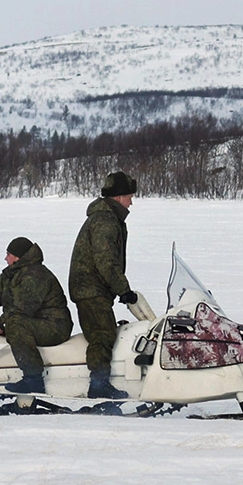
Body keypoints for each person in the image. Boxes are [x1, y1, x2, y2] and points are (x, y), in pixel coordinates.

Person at [0, 237, 74, 394]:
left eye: (8, 254)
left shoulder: (36, 276)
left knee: (16, 325)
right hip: (33, 322)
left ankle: (33, 380)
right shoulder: (12, 274)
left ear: (18, 257)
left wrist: (0, 325)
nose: (5, 258)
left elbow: (22, 308)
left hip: (55, 326)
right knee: (15, 323)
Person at [68, 171, 138, 399]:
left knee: (104, 332)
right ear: (118, 197)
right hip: (90, 288)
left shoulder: (108, 218)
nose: (131, 201)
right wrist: (123, 289)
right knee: (102, 335)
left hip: (94, 288)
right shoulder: (105, 221)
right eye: (129, 196)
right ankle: (98, 386)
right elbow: (105, 260)